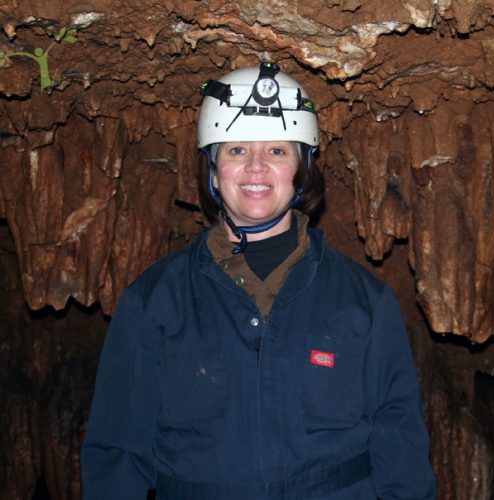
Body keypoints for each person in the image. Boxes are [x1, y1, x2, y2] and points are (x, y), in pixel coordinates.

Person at [81, 62, 436, 499]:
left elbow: (400, 451)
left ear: (302, 168)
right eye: (236, 151)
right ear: (212, 168)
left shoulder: (364, 303)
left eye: (276, 151)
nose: (255, 168)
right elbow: (117, 454)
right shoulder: (154, 302)